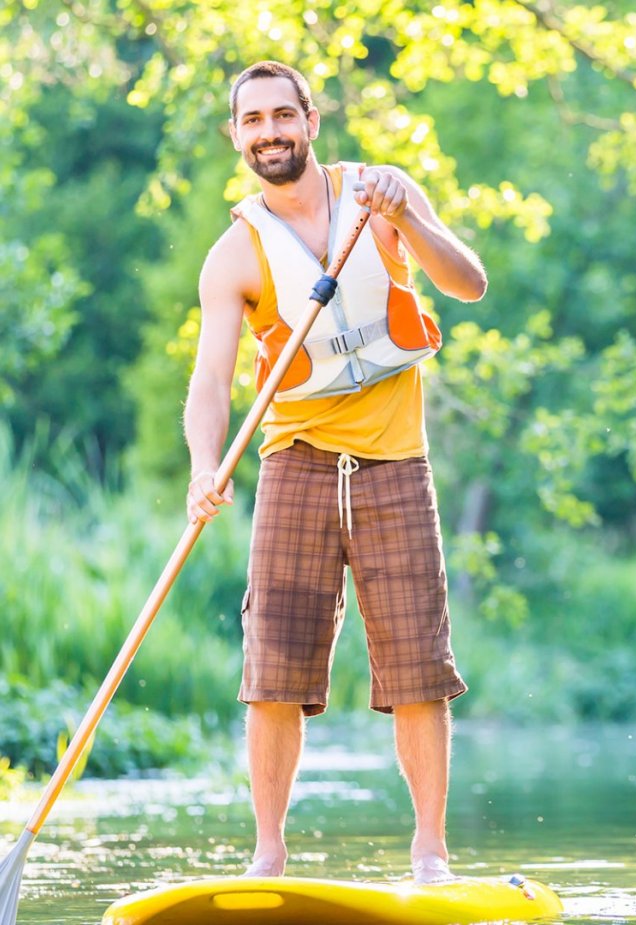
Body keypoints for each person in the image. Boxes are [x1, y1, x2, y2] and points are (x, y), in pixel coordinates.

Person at [183, 60, 487, 883]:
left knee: (417, 670)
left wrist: (408, 216)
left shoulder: (380, 195)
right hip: (296, 463)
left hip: (395, 461)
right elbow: (209, 380)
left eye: (284, 115)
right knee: (273, 671)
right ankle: (268, 854)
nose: (270, 132)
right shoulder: (233, 254)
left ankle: (430, 852)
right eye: (253, 120)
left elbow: (468, 284)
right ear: (236, 136)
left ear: (311, 122)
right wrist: (204, 467)